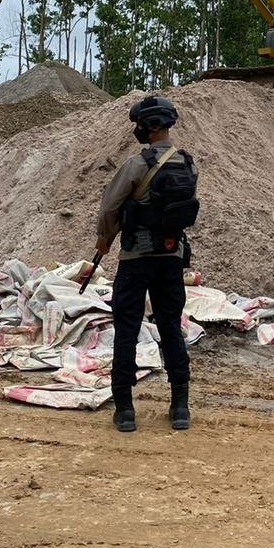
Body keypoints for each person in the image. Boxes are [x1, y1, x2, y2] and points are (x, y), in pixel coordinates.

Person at [94, 95, 198, 433]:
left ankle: (125, 410)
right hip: (171, 259)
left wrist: (104, 241)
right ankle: (180, 407)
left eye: (140, 125)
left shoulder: (137, 165)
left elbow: (111, 208)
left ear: (149, 126)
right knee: (170, 328)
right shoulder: (187, 163)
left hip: (136, 260)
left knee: (127, 328)